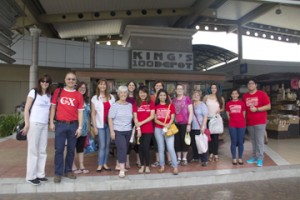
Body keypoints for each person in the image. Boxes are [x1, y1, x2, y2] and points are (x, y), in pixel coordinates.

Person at [49, 72, 84, 183]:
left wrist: (79, 127)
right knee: (59, 149)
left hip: (73, 125)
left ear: (75, 81)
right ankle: (58, 173)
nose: (71, 81)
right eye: (69, 79)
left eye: (73, 79)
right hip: (60, 125)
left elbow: (80, 112)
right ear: (65, 80)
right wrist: (51, 122)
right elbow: (53, 108)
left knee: (71, 150)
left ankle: (68, 170)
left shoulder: (78, 95)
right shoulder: (58, 92)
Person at [23, 74, 52, 186]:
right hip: (34, 124)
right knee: (33, 150)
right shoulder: (33, 92)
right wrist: (27, 124)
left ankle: (40, 174)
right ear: (39, 82)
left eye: (47, 82)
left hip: (44, 125)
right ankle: (31, 176)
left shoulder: (49, 95)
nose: (45, 83)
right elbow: (26, 109)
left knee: (42, 150)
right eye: (43, 81)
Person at [242, 79, 271, 167]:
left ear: (256, 85)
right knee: (253, 141)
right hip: (250, 122)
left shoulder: (262, 94)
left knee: (259, 141)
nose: (250, 85)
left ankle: (260, 159)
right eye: (249, 83)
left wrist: (257, 109)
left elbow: (268, 106)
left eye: (252, 83)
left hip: (260, 121)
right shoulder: (245, 96)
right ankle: (254, 157)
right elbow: (244, 109)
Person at [91, 79, 115, 172]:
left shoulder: (111, 97)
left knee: (108, 145)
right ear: (98, 86)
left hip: (109, 125)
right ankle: (100, 164)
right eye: (101, 84)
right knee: (102, 145)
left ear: (106, 86)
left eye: (104, 84)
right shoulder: (95, 98)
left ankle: (105, 163)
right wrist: (94, 127)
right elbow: (93, 113)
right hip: (100, 125)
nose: (102, 86)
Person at [108, 85, 133, 178]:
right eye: (121, 92)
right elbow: (110, 118)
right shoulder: (115, 105)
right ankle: (122, 170)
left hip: (128, 131)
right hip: (118, 131)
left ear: (127, 94)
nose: (123, 94)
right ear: (118, 94)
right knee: (122, 148)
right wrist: (112, 131)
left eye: (125, 92)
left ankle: (118, 164)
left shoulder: (130, 105)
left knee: (124, 149)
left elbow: (133, 117)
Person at [154, 89, 178, 175]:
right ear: (158, 96)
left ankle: (175, 167)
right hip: (158, 129)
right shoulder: (155, 106)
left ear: (166, 96)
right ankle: (162, 166)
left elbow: (172, 117)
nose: (162, 97)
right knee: (161, 148)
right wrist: (164, 124)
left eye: (164, 95)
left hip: (169, 129)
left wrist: (168, 125)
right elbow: (155, 119)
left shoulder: (170, 106)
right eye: (161, 95)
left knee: (171, 148)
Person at [133, 86, 155, 174]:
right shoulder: (136, 103)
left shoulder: (151, 103)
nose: (142, 94)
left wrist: (141, 123)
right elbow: (135, 117)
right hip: (139, 130)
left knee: (146, 147)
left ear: (147, 93)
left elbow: (152, 116)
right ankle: (142, 166)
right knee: (140, 148)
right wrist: (138, 128)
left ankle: (147, 166)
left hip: (148, 129)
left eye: (144, 92)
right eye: (141, 92)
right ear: (138, 93)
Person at [172, 84, 193, 166]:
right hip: (176, 124)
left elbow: (191, 112)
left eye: (181, 89)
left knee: (185, 141)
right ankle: (178, 158)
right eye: (178, 89)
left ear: (183, 90)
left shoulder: (187, 99)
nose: (179, 90)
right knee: (177, 141)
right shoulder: (173, 100)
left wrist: (189, 124)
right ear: (176, 91)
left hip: (185, 123)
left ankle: (184, 158)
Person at [203, 83, 225, 162]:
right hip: (208, 119)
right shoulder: (206, 97)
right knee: (209, 137)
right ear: (210, 89)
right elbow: (202, 106)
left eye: (215, 88)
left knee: (215, 137)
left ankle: (216, 153)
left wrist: (219, 110)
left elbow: (223, 108)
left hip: (216, 119)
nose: (213, 89)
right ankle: (211, 153)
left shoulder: (220, 98)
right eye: (212, 88)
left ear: (217, 89)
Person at [72, 82, 90, 174]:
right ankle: (72, 165)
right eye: (81, 87)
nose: (83, 89)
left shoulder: (86, 100)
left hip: (84, 128)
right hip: (75, 126)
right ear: (77, 88)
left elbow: (88, 114)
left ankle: (81, 165)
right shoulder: (74, 98)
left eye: (84, 88)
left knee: (80, 147)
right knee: (72, 147)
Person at [226, 89, 246, 165]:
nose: (234, 95)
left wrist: (241, 122)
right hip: (232, 125)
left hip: (241, 125)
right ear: (231, 95)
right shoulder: (228, 104)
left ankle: (240, 158)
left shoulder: (242, 103)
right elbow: (228, 115)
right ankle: (234, 158)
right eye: (233, 93)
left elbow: (244, 115)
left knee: (240, 142)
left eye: (236, 93)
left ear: (238, 95)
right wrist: (232, 121)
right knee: (233, 141)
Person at [191, 90, 209, 166]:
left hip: (200, 127)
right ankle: (196, 157)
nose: (196, 96)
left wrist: (203, 126)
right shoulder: (191, 104)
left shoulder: (202, 105)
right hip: (192, 127)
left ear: (200, 96)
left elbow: (205, 116)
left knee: (201, 143)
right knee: (194, 143)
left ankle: (204, 159)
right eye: (194, 95)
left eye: (197, 95)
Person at [125, 81, 140, 168]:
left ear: (135, 87)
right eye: (129, 85)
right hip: (127, 121)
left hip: (136, 121)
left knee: (138, 140)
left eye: (133, 85)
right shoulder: (124, 96)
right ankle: (127, 161)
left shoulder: (138, 97)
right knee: (128, 141)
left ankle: (138, 160)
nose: (131, 86)